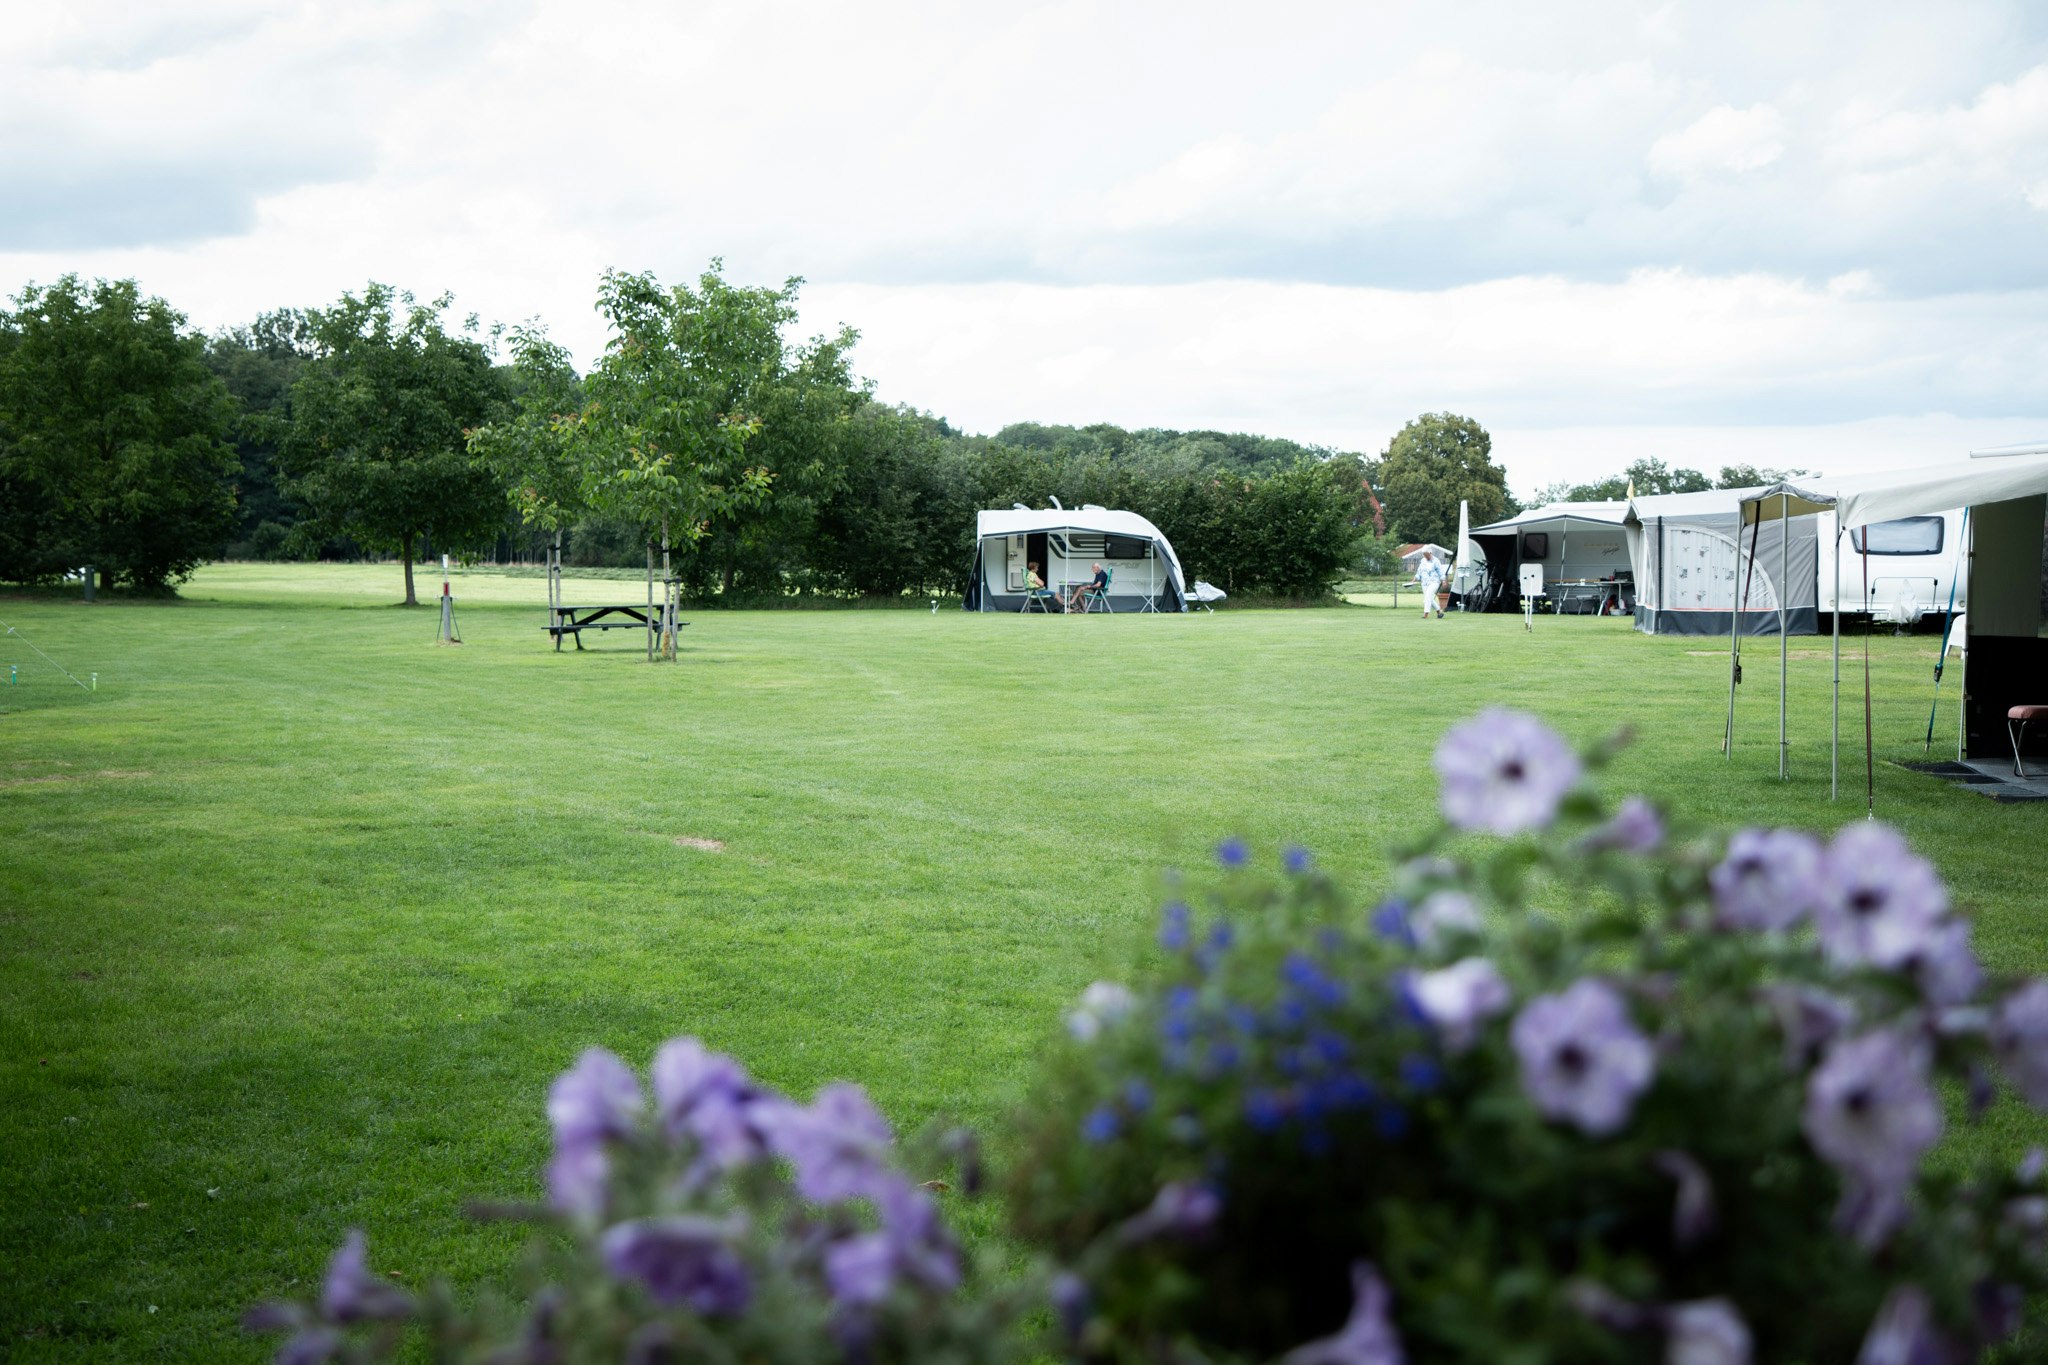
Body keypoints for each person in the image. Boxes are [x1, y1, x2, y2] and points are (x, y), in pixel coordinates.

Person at [1410, 550, 1447, 619]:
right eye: (1424, 555)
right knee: (1429, 598)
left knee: (1427, 597)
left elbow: (1440, 571)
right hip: (1424, 583)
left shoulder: (1436, 561)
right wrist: (1413, 580)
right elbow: (1419, 572)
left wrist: (1443, 581)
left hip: (1434, 582)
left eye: (1427, 555)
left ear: (1430, 553)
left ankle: (1425, 614)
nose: (1426, 557)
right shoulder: (1423, 561)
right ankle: (1439, 612)